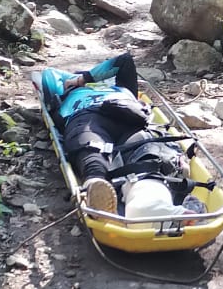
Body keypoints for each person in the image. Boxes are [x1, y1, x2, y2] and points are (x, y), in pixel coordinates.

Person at [40, 53, 195, 215]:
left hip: (130, 116)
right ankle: (97, 188)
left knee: (147, 155)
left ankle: (152, 202)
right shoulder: (67, 93)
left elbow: (124, 60)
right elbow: (48, 75)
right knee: (92, 150)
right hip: (88, 116)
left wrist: (82, 79)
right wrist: (73, 83)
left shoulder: (121, 87)